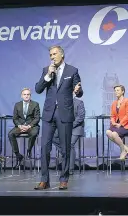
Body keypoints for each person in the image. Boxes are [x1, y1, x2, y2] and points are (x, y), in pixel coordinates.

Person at [34, 45, 83, 190]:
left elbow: (79, 91)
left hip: (64, 113)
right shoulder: (46, 70)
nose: (52, 57)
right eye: (50, 55)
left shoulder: (72, 70)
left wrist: (78, 90)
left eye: (54, 54)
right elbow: (38, 89)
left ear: (62, 55)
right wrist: (48, 75)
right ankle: (44, 180)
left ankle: (64, 179)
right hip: (49, 113)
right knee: (44, 147)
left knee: (65, 148)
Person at [52, 92, 86, 174]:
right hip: (64, 126)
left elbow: (80, 117)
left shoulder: (79, 102)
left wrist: (70, 125)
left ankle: (70, 169)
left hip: (76, 127)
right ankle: (66, 153)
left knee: (70, 144)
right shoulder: (61, 103)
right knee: (52, 137)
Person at [8, 88, 41, 169]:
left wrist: (29, 126)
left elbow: (37, 118)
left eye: (28, 94)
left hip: (31, 126)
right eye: (24, 94)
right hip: (20, 126)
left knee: (34, 133)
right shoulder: (17, 105)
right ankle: (18, 155)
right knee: (10, 134)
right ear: (21, 96)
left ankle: (29, 150)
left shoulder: (35, 104)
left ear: (30, 95)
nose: (26, 96)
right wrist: (20, 126)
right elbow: (15, 118)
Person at [106, 85, 128, 160]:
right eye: (115, 90)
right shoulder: (114, 103)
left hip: (126, 125)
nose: (116, 92)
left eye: (118, 90)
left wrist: (120, 124)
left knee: (114, 134)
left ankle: (123, 151)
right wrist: (113, 122)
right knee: (108, 132)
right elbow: (112, 115)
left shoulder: (127, 101)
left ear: (123, 91)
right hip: (116, 125)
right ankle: (125, 148)